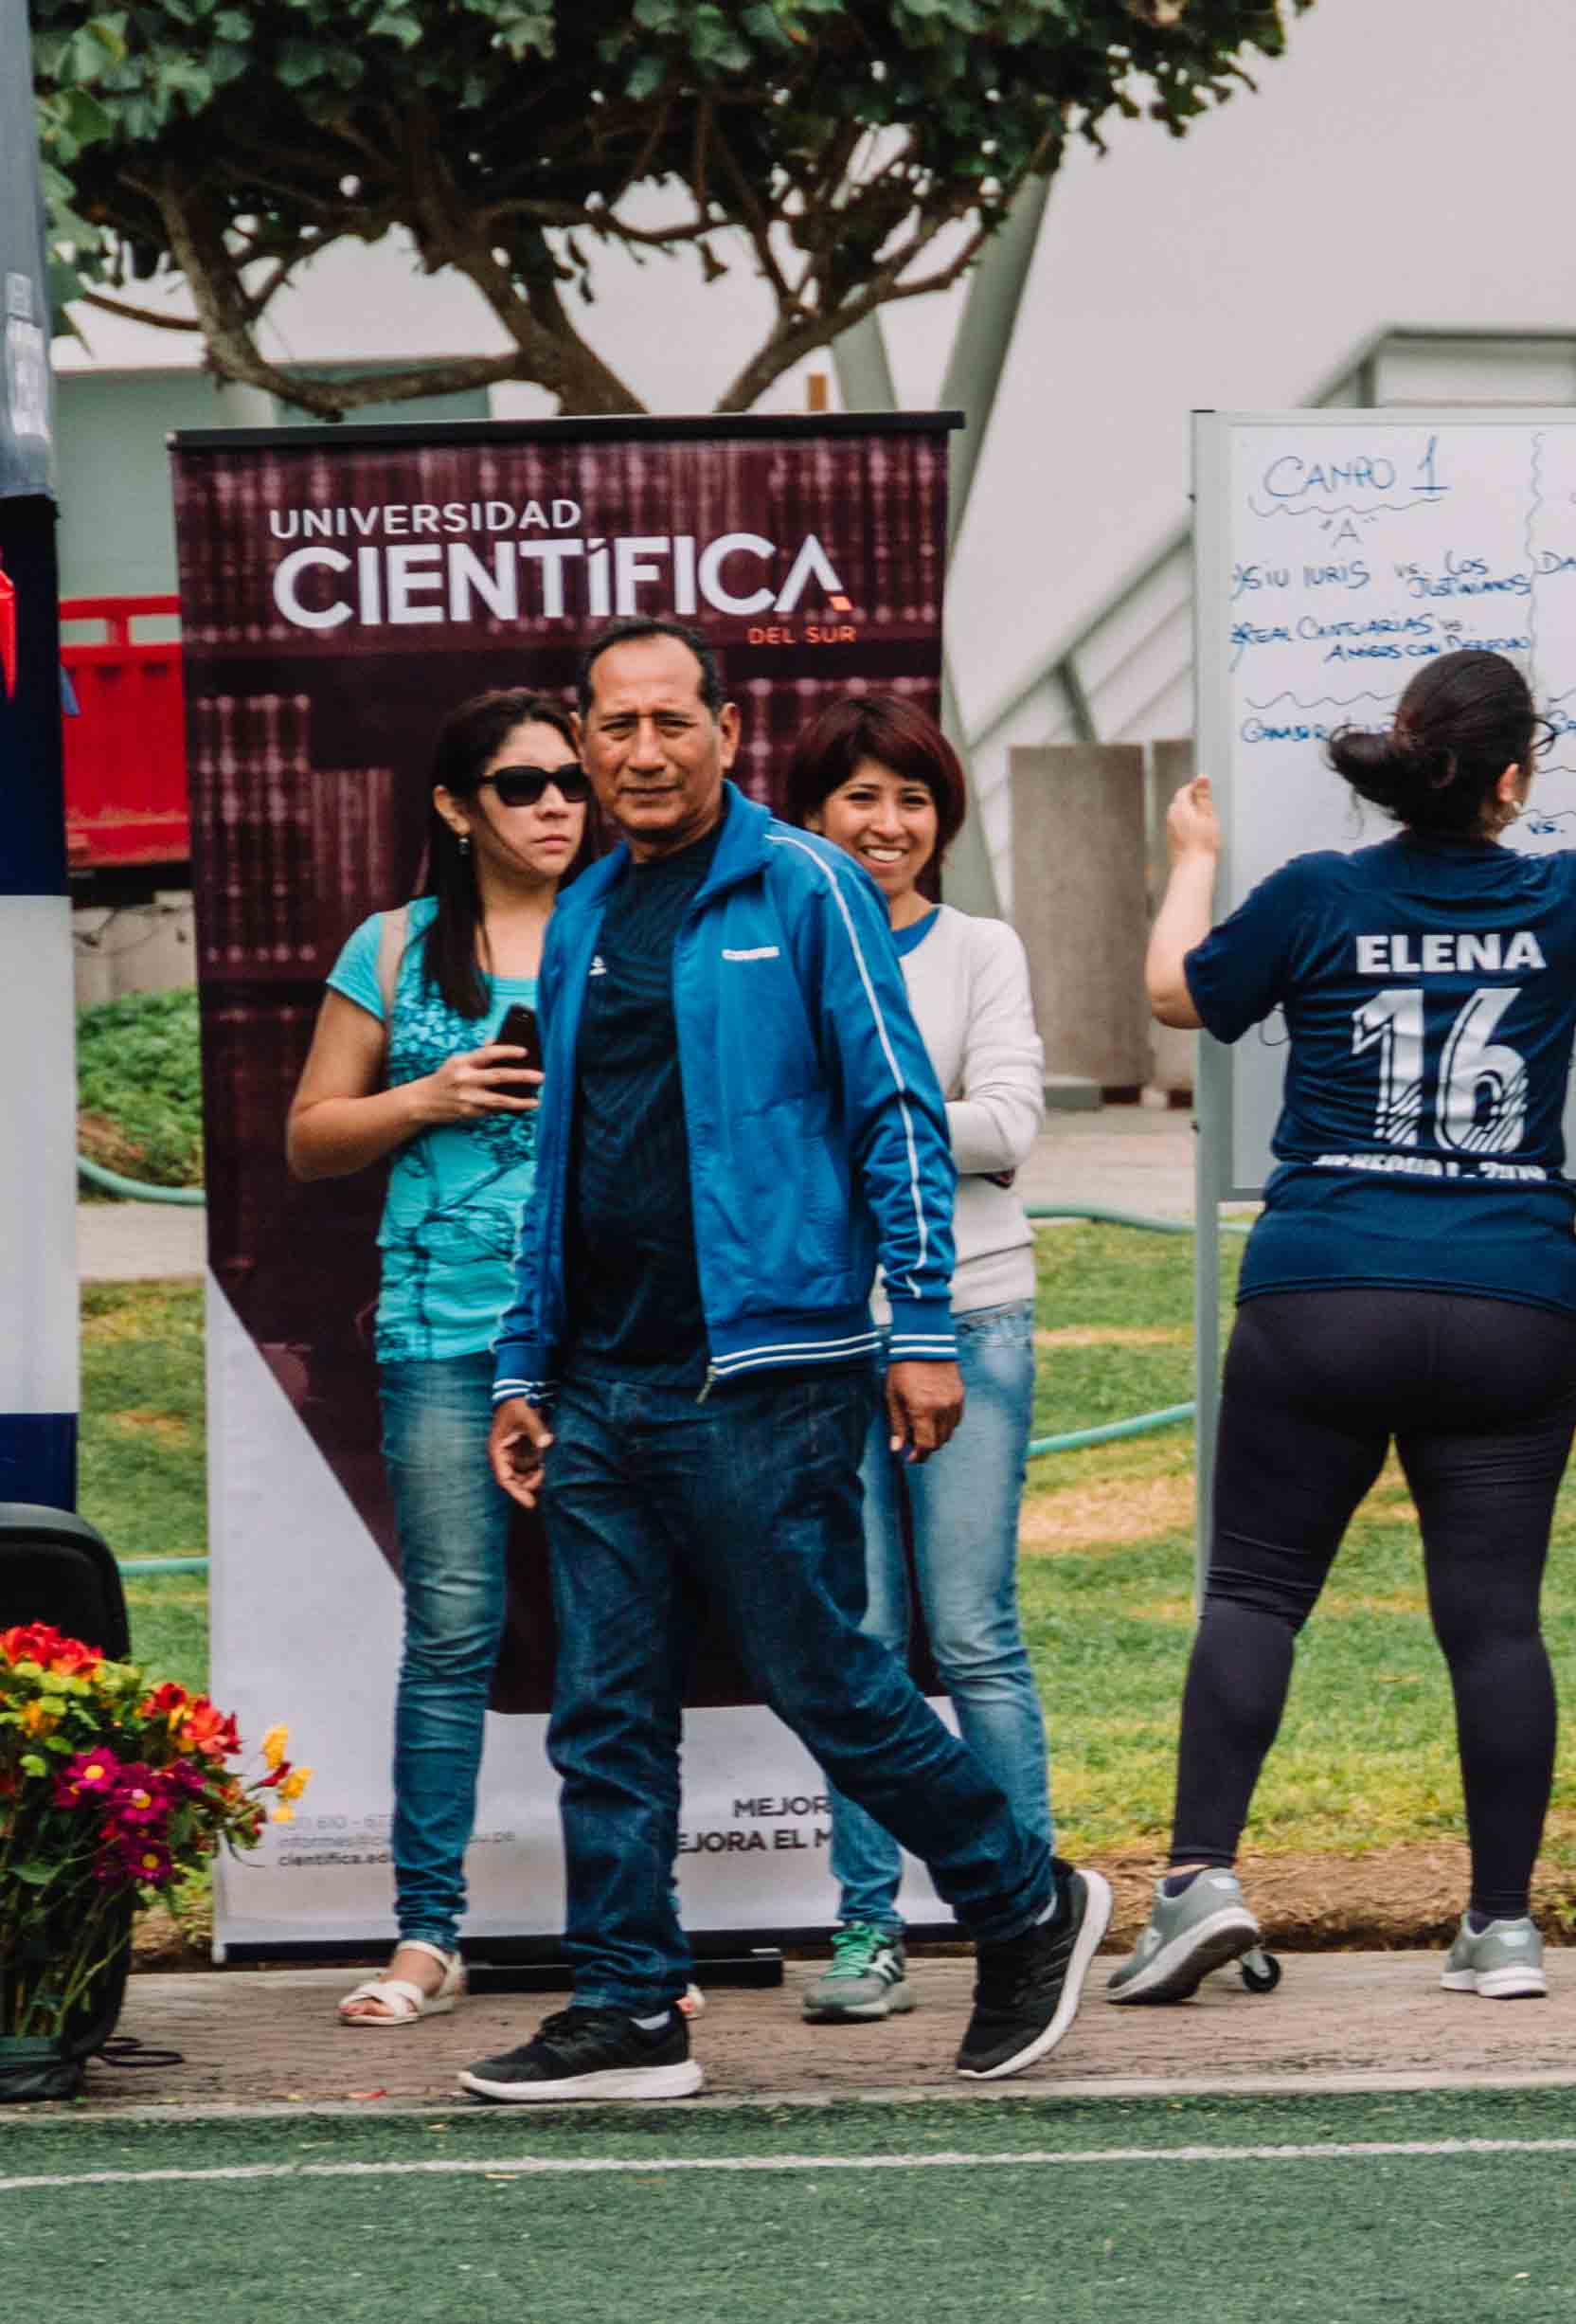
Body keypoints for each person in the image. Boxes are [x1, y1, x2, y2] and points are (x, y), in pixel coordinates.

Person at [461, 619, 1107, 2102]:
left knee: (825, 1680)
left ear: (726, 731)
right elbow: (558, 1158)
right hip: (598, 1387)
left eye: (668, 721)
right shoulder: (582, 911)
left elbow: (895, 1112)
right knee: (602, 1709)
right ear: (585, 737)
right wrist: (520, 1363)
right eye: (611, 726)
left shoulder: (807, 886)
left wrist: (925, 1327)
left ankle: (1025, 1901)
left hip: (769, 1373)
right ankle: (629, 2004)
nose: (638, 750)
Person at [1110, 602, 1576, 2006]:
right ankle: (1503, 1925)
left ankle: (1198, 1876)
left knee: (1256, 1590)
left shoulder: (1313, 893)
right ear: (1516, 776)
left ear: (1406, 758)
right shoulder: (1567, 894)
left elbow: (1172, 994)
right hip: (1509, 1290)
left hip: (1327, 1275)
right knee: (1494, 1619)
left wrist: (1193, 863)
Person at [291, 689, 588, 2030]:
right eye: (524, 785)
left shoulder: (628, 922)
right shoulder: (398, 946)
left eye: (571, 782)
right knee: (455, 1633)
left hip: (603, 1340)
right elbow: (308, 1140)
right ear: (457, 806)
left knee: (612, 1640)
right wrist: (429, 1096)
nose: (558, 806)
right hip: (440, 1335)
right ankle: (427, 1937)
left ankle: (631, 1937)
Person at [783, 692, 1048, 2028]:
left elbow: (1007, 1123)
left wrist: (862, 1111)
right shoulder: (772, 943)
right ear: (808, 814)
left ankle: (1031, 1907)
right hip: (822, 1331)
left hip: (975, 1312)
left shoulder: (979, 947)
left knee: (976, 1633)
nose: (886, 826)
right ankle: (866, 1924)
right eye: (859, 799)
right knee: (861, 1644)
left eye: (912, 800)